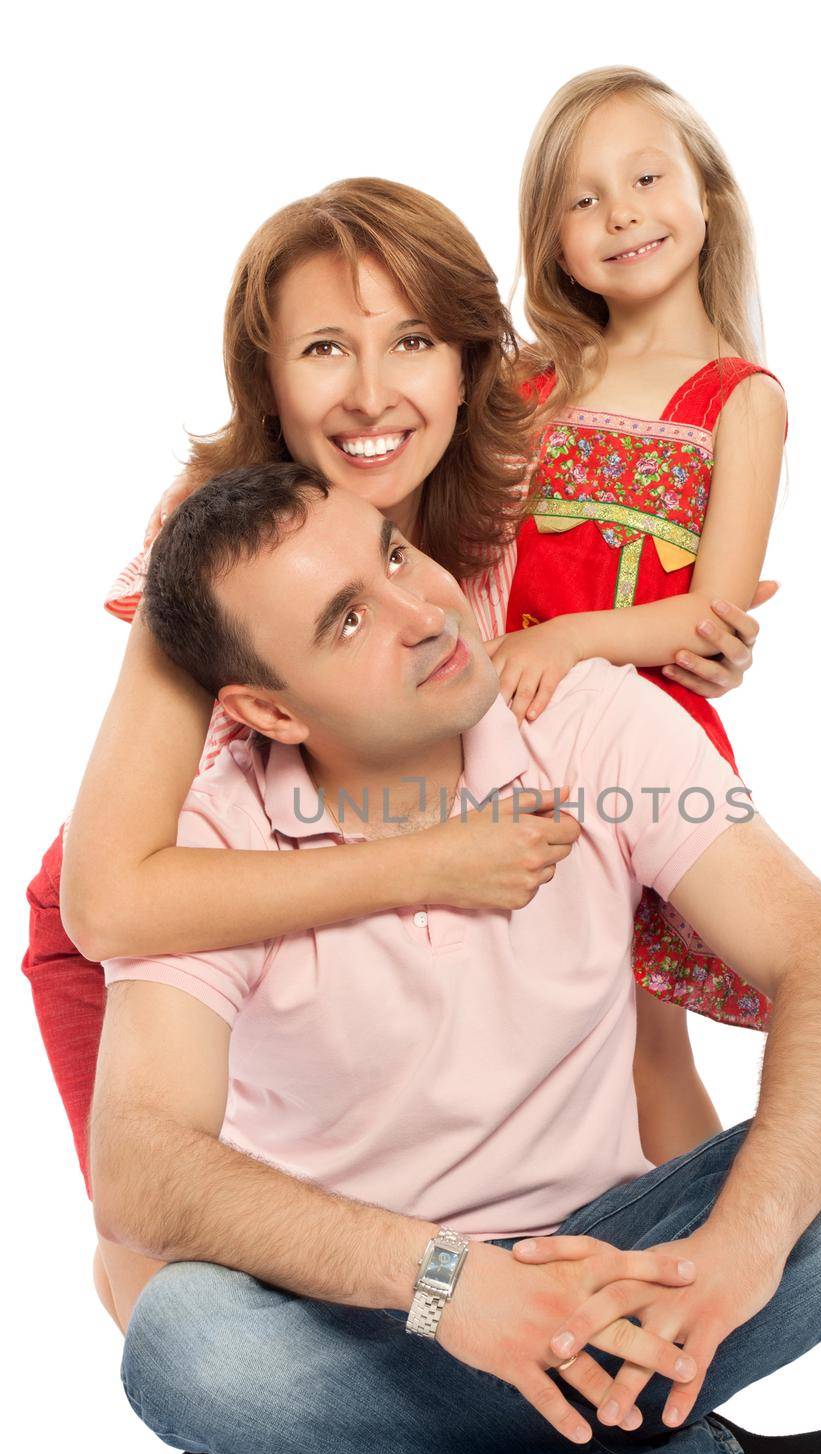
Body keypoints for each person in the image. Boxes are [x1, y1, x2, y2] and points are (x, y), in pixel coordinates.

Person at [94, 461, 821, 1454]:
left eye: (393, 554)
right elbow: (139, 1163)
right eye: (347, 618)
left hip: (613, 1264)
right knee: (185, 1348)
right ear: (266, 708)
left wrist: (742, 1246)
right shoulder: (212, 839)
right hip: (366, 1305)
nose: (421, 613)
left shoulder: (592, 719)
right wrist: (447, 1281)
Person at [21, 179, 768, 1305]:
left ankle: (678, 1380)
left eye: (412, 340)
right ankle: (270, 1444)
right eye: (324, 348)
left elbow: (598, 646)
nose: (372, 392)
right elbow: (109, 900)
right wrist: (429, 863)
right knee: (175, 1262)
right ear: (267, 381)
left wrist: (690, 638)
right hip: (184, 907)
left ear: (469, 364)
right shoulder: (219, 537)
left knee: (637, 1040)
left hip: (445, 846)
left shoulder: (507, 485)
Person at [493, 67, 788, 1163]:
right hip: (501, 733)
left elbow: (708, 611)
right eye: (581, 198)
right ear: (552, 242)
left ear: (703, 194)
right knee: (522, 1027)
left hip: (637, 753)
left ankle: (696, 1266)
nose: (618, 211)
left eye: (645, 176)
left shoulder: (738, 399)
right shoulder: (530, 383)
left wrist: (567, 639)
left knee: (642, 1043)